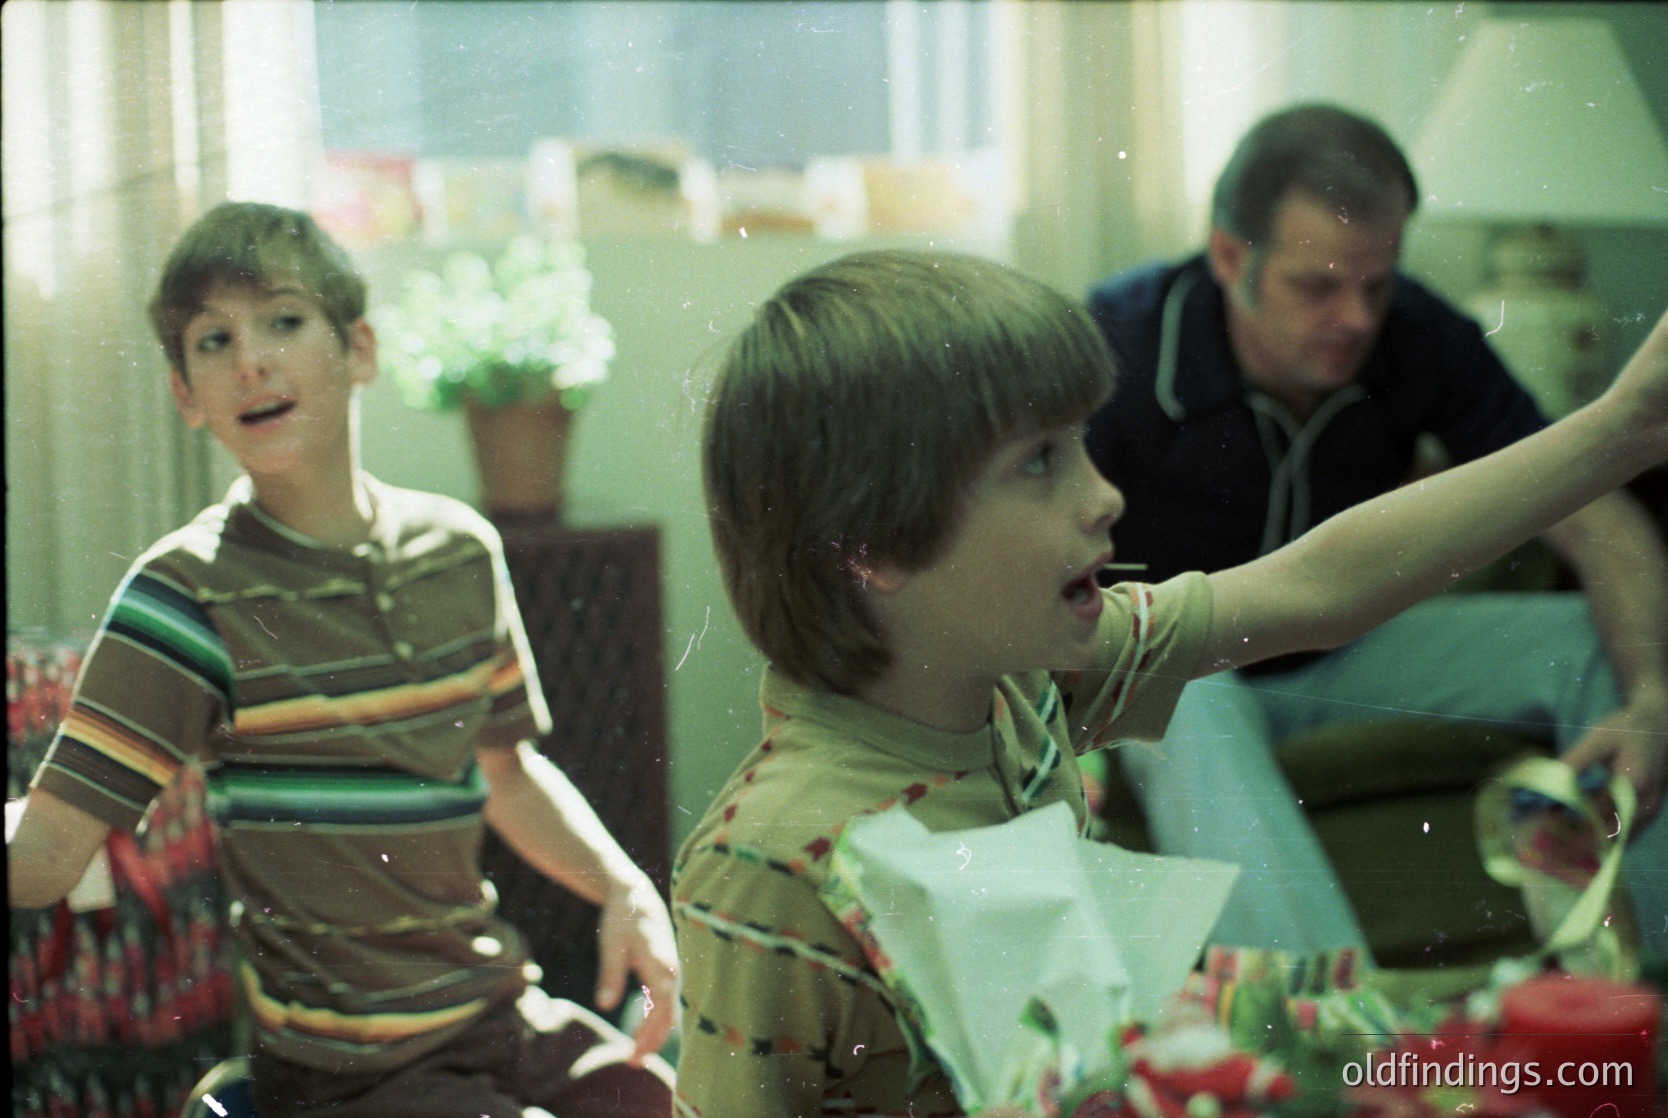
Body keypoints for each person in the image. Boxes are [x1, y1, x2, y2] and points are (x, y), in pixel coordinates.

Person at [672, 246, 1668, 1115]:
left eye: (1085, 448)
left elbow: (1319, 582)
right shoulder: (767, 868)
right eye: (1038, 463)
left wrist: (1622, 427)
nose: (1104, 496)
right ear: (877, 543)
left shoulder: (1029, 688)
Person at [5, 202, 676, 1118]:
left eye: (284, 320)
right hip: (350, 1075)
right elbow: (45, 854)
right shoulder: (185, 594)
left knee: (675, 1098)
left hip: (499, 1015)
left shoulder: (459, 551)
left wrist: (625, 887)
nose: (253, 360)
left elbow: (507, 778)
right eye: (213, 340)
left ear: (359, 349)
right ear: (185, 397)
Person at [1082, 102, 1668, 961]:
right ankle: (1332, 1026)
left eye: (1375, 284)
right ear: (1229, 257)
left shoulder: (1418, 332)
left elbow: (1596, 513)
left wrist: (1652, 694)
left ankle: (1637, 993)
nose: (1356, 318)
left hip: (1352, 655)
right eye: (1317, 285)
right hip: (1191, 668)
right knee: (1182, 689)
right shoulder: (1118, 344)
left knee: (1604, 644)